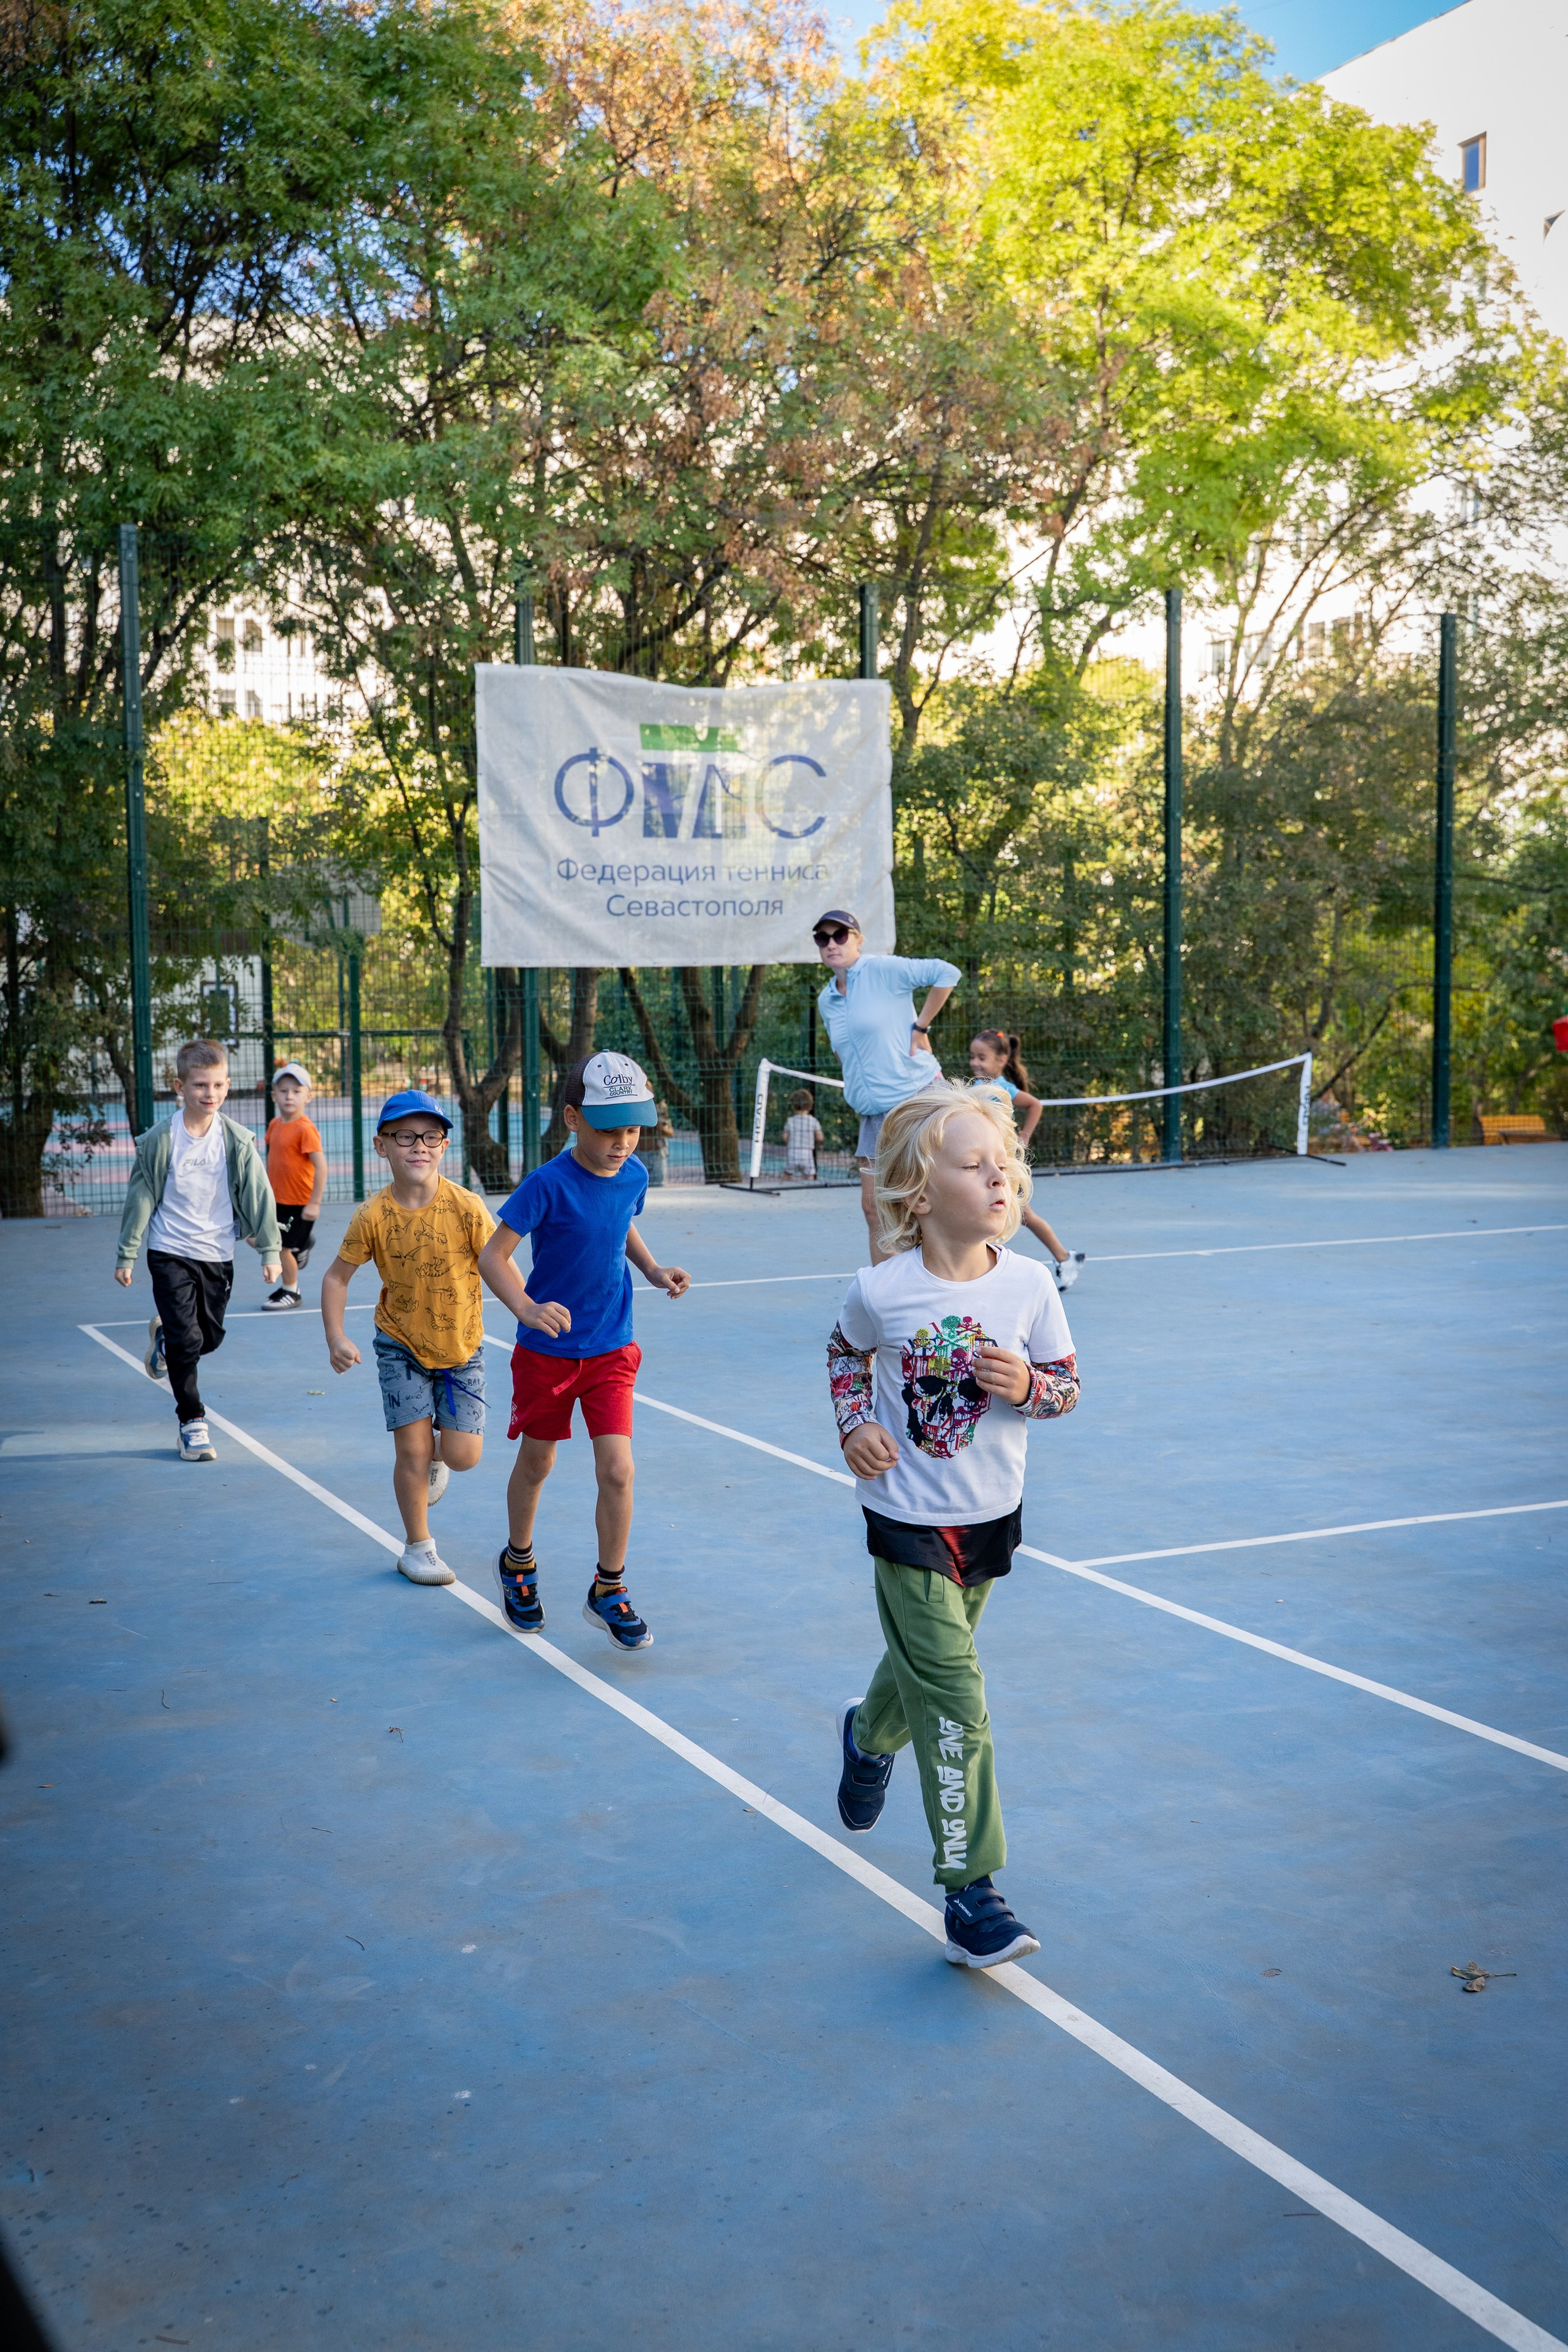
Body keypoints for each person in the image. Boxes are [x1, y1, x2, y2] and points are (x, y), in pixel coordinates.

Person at [825, 1082, 1079, 1968]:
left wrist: (1030, 1389)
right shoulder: (881, 1290)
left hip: (991, 1518)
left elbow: (1066, 1386)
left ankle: (868, 1736)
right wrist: (854, 1424)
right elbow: (846, 1352)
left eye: (1004, 1163)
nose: (999, 1177)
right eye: (975, 1166)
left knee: (927, 1673)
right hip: (905, 1518)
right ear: (922, 1195)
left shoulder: (1030, 1285)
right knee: (958, 1699)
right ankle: (972, 1893)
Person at [477, 1052, 690, 1650]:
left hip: (611, 1347)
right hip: (547, 1352)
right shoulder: (546, 1184)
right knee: (538, 1463)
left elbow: (621, 1222)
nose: (623, 1142)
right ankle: (518, 1561)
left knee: (618, 1470)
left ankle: (609, 1587)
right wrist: (525, 1308)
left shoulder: (634, 1175)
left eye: (633, 1129)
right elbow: (493, 1256)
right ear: (573, 1119)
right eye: (609, 1130)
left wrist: (651, 1268)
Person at [318, 1090, 492, 1586]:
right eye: (405, 1137)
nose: (419, 1146)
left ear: (444, 1146)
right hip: (401, 1347)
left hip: (461, 1350)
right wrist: (336, 1336)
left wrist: (529, 1309)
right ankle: (418, 1547)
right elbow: (336, 1278)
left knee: (463, 1456)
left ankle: (440, 1454)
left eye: (431, 1137)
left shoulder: (467, 1207)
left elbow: (498, 1264)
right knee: (410, 1451)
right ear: (382, 1146)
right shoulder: (372, 1216)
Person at [115, 1039, 282, 1463]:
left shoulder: (236, 1141)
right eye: (201, 1085)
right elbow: (141, 1197)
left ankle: (165, 1341)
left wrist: (270, 1250)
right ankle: (192, 1422)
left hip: (216, 1253)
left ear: (228, 1086)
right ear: (180, 1087)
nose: (211, 1093)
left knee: (208, 1338)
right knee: (188, 1341)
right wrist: (127, 1253)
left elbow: (259, 1195)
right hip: (169, 1250)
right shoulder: (161, 1140)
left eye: (219, 1085)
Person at [813, 909, 960, 1264]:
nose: (831, 944)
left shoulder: (882, 969)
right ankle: (885, 1292)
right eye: (823, 938)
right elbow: (844, 1050)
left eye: (840, 935)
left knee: (931, 1201)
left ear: (859, 940)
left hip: (918, 1101)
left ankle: (951, 1278)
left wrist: (921, 1027)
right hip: (873, 1115)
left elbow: (947, 973)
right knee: (874, 1209)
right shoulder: (826, 999)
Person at [968, 1030, 1085, 1292]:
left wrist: (1024, 1138)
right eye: (972, 1057)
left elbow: (1035, 1105)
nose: (975, 1062)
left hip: (1003, 1164)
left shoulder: (1002, 1089)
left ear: (1001, 1060)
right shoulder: (976, 1087)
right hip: (986, 1162)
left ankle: (1062, 1258)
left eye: (982, 1057)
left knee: (1014, 1214)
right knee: (1016, 1214)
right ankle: (1065, 1257)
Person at [262, 1060, 326, 1310]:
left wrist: (315, 1203)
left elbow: (321, 1167)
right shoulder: (275, 1125)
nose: (290, 1096)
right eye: (284, 1091)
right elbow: (274, 1160)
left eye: (297, 1091)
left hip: (299, 1204)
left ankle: (291, 1291)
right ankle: (303, 1243)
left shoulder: (305, 1130)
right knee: (254, 1236)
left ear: (308, 1097)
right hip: (276, 1201)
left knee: (281, 1248)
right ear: (274, 1096)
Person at [783, 1087, 824, 1181]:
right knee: (810, 1176)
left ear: (793, 1105)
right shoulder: (813, 1121)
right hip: (807, 1153)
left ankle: (782, 1187)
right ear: (810, 1105)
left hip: (793, 1152)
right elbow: (820, 1138)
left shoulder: (791, 1121)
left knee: (788, 1174)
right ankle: (809, 1189)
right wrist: (815, 1143)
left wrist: (788, 1142)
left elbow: (785, 1138)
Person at [636, 1097, 676, 1188]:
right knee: (639, 1186)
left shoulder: (659, 1112)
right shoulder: (635, 1109)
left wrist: (659, 1122)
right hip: (638, 1155)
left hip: (657, 1155)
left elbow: (670, 1133)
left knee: (659, 1186)